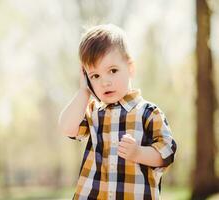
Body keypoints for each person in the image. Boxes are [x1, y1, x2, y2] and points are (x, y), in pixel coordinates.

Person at [58, 24, 177, 200]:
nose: (104, 82)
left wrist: (138, 153)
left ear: (130, 68)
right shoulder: (93, 112)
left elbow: (167, 152)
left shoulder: (148, 113)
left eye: (112, 71)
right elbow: (67, 127)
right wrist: (84, 91)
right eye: (95, 76)